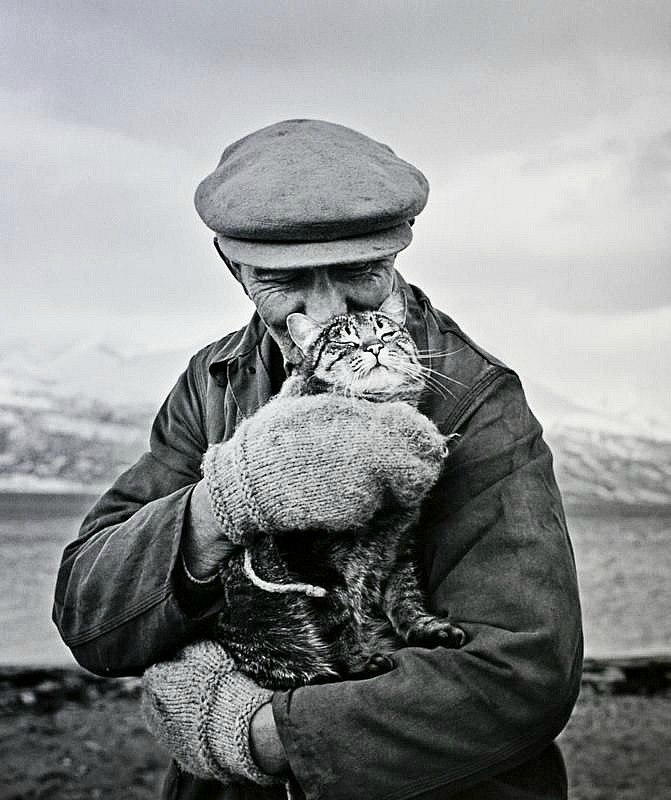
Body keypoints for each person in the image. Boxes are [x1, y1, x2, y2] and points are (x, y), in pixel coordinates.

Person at [53, 119, 583, 800]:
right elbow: (89, 620)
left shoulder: (476, 398)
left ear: (396, 254)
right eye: (285, 281)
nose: (329, 311)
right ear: (233, 268)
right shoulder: (212, 377)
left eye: (359, 272)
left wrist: (254, 734)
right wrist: (224, 501)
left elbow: (523, 680)